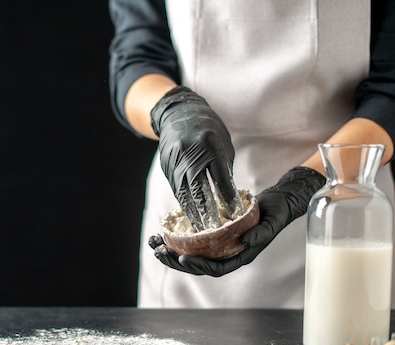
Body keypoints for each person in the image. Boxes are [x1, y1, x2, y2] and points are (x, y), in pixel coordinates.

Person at [108, 0, 395, 308]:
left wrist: (309, 182)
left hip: (342, 198)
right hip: (192, 189)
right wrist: (172, 111)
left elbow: (389, 88)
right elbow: (138, 55)